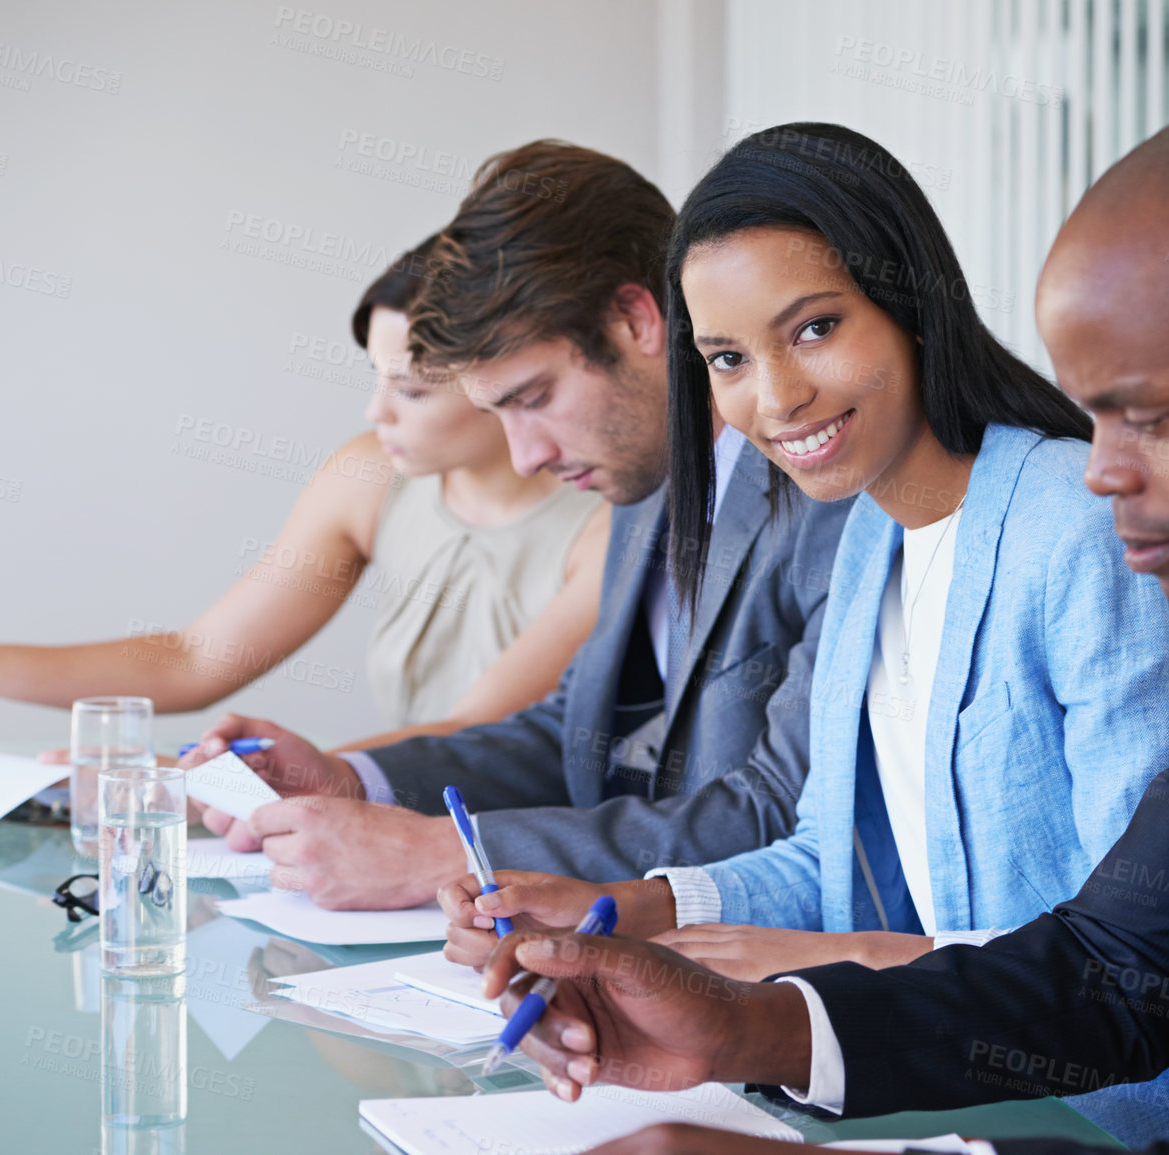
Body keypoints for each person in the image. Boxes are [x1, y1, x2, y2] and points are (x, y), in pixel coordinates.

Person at [469, 97, 1169, 1155]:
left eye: (1147, 417)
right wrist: (750, 1032)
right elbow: (1119, 967)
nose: (1102, 473)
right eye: (1096, 412)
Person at [439, 123, 1169, 1146]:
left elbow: (1134, 955)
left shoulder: (1075, 530)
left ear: (911, 304)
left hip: (1098, 1117)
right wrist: (629, 911)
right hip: (935, 1083)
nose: (776, 398)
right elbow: (825, 856)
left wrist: (837, 970)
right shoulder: (870, 533)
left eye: (813, 329)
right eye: (727, 359)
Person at [181, 140, 852, 913]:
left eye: (533, 398)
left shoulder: (824, 487)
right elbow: (571, 732)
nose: (525, 456)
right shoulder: (646, 475)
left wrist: (441, 854)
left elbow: (779, 814)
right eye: (497, 412)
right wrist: (354, 780)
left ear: (636, 318)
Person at [0, 237, 609, 751]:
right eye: (375, 377)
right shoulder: (368, 475)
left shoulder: (609, 515)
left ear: (503, 382)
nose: (375, 411)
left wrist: (210, 784)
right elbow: (193, 659)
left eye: (410, 389)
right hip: (394, 836)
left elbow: (474, 737)